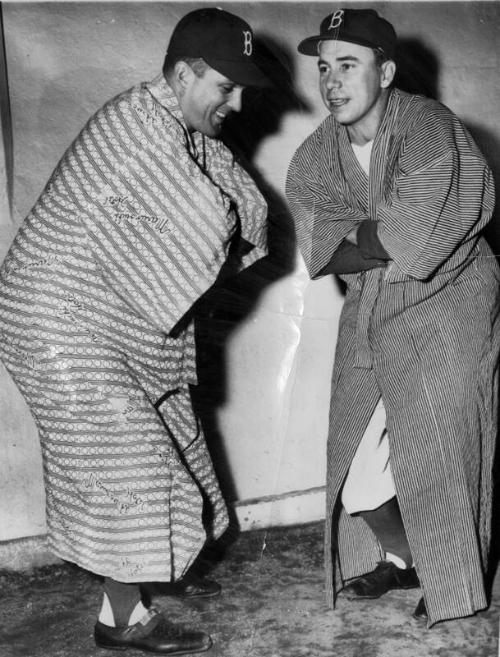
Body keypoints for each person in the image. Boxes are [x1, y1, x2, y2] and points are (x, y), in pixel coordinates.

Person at [0, 7, 268, 654]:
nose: (234, 102)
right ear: (181, 74)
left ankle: (153, 571)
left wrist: (238, 214)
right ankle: (121, 619)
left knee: (179, 433)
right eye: (223, 87)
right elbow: (208, 223)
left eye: (239, 89)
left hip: (102, 318)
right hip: (53, 318)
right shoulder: (137, 127)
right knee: (135, 463)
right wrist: (230, 218)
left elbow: (244, 200)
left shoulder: (177, 125)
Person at [286, 8, 500, 627]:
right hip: (378, 302)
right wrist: (370, 236)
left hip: (453, 295)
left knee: (444, 446)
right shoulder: (314, 153)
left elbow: (415, 237)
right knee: (356, 472)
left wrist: (360, 236)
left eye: (347, 65)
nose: (331, 82)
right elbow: (320, 246)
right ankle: (407, 558)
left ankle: (453, 578)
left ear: (385, 70)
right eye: (324, 68)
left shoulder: (429, 126)